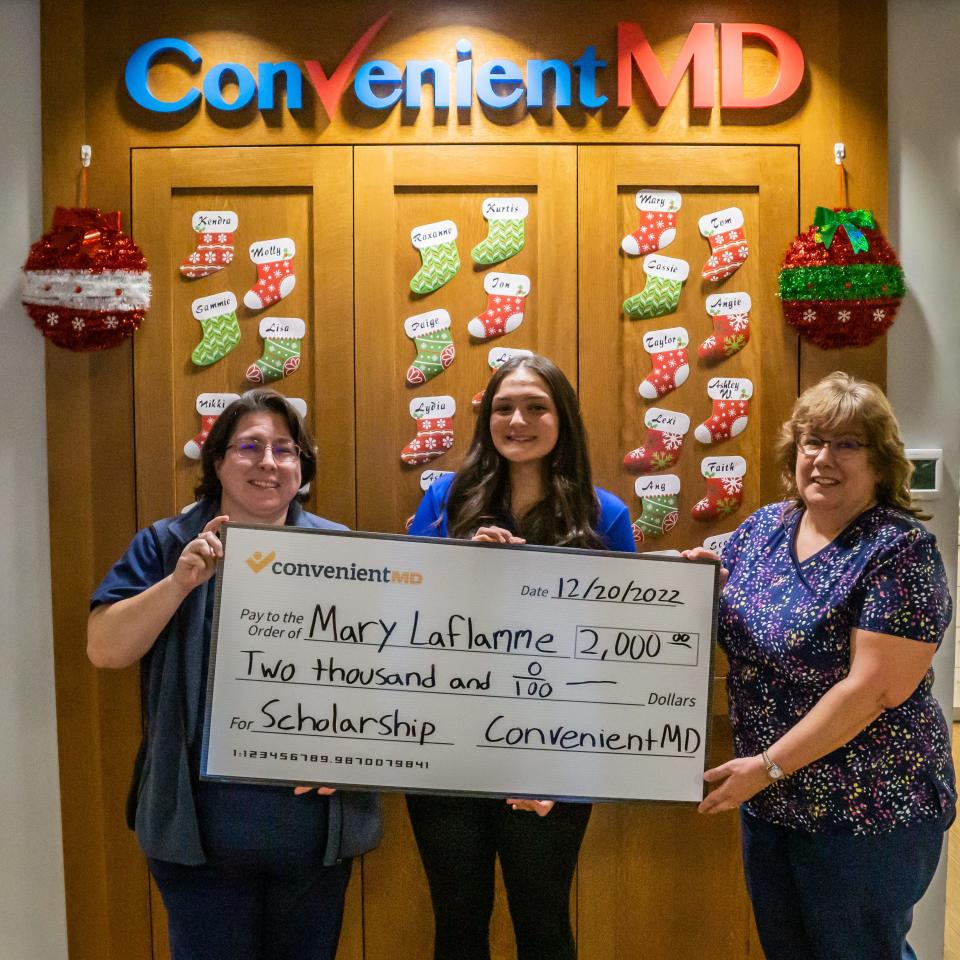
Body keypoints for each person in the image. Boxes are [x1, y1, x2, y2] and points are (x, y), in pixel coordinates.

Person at [87, 389, 382, 960]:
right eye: (249, 447)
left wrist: (354, 752)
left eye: (284, 450)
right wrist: (178, 585)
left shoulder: (343, 551)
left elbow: (385, 675)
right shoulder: (166, 544)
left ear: (302, 469)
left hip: (315, 838)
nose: (268, 463)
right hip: (198, 839)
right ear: (217, 460)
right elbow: (105, 649)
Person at [686, 371, 955, 960]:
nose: (823, 457)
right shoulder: (765, 528)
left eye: (846, 444)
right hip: (772, 801)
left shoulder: (899, 550)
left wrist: (766, 768)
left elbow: (874, 688)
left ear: (880, 462)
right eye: (812, 440)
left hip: (868, 806)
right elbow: (678, 583)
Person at [405, 354, 635, 960]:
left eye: (537, 407)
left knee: (544, 921)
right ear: (486, 419)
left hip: (550, 755)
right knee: (456, 920)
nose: (518, 420)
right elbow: (405, 614)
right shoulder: (444, 497)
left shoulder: (604, 514)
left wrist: (568, 766)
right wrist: (461, 558)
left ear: (564, 419)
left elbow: (620, 651)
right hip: (444, 747)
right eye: (504, 407)